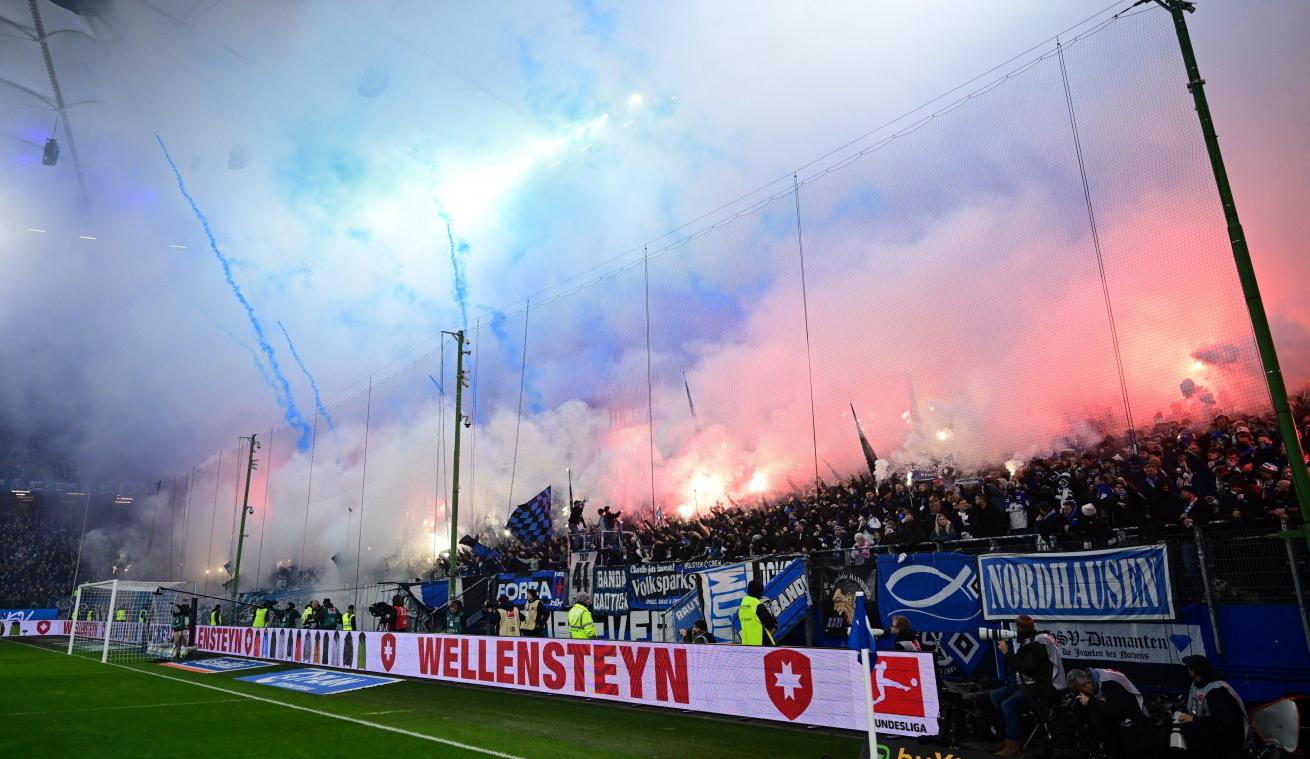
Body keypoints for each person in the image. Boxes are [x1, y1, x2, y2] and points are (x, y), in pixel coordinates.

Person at [989, 615, 1067, 756]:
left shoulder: (1040, 642)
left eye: (1018, 628)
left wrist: (1006, 652)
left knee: (1008, 705)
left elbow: (1027, 667)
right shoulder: (1030, 641)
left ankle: (1014, 745)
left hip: (1046, 687)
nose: (1016, 632)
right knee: (995, 696)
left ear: (1023, 629)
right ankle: (1013, 735)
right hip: (1028, 683)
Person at [1067, 668, 1149, 759]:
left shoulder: (1109, 682)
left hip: (1135, 717)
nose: (1085, 691)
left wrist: (1090, 702)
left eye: (1084, 688)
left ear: (1087, 681)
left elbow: (1115, 711)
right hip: (1118, 720)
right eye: (1080, 690)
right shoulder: (1087, 680)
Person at [1178, 655, 1248, 758]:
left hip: (1226, 741)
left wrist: (1193, 719)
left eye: (1189, 668)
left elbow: (1223, 723)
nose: (1187, 671)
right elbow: (1195, 708)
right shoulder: (1196, 684)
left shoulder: (1216, 692)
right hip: (1208, 730)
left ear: (1194, 671)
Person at [737, 579, 778, 646]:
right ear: (759, 591)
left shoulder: (743, 605)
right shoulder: (757, 605)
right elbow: (770, 624)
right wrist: (774, 621)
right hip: (760, 643)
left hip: (747, 644)